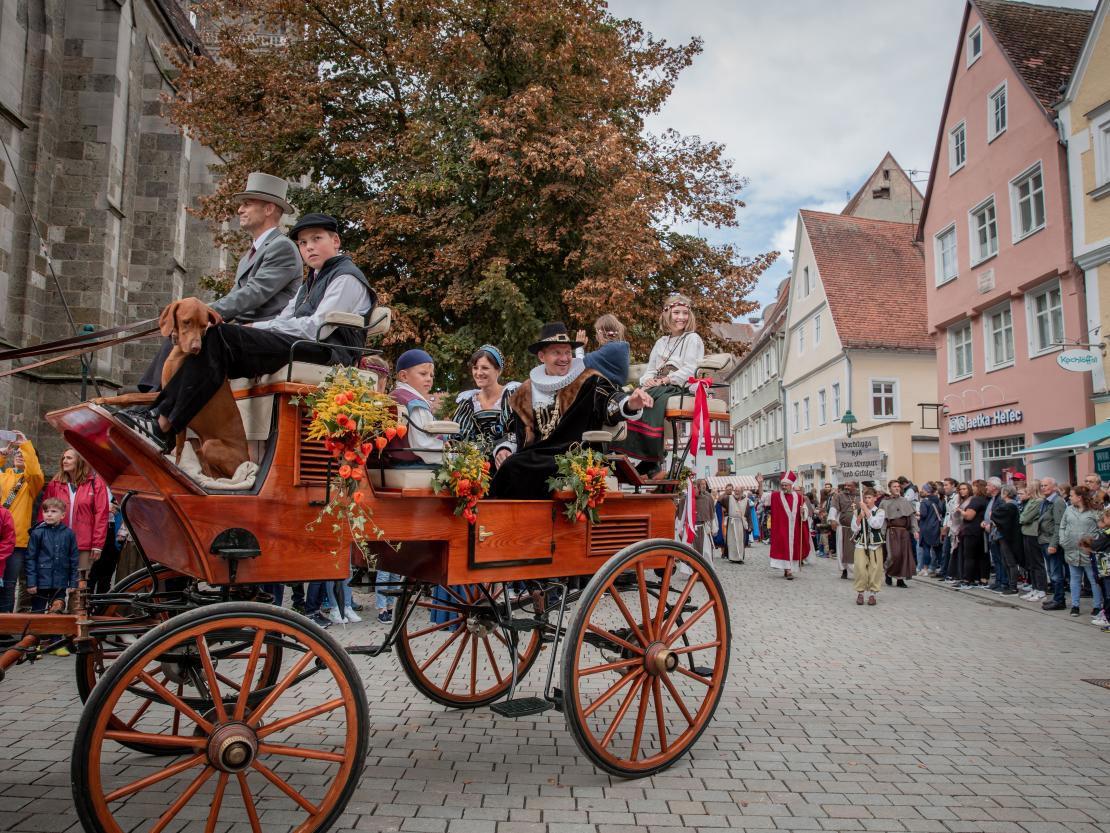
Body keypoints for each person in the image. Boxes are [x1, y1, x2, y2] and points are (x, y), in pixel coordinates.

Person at [120, 213, 375, 453]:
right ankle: (151, 409)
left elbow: (316, 328)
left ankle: (161, 424)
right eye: (303, 242)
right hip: (303, 345)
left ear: (335, 240)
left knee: (222, 336)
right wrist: (252, 329)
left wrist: (255, 328)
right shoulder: (312, 281)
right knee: (214, 335)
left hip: (326, 352)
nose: (309, 247)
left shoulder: (346, 277)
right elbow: (284, 318)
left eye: (316, 239)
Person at [139, 172, 304, 392]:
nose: (240, 210)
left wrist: (203, 313)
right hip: (245, 332)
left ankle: (155, 400)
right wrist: (196, 315)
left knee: (204, 335)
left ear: (269, 209)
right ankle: (153, 395)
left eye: (247, 204)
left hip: (266, 336)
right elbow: (236, 294)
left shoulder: (282, 247)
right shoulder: (250, 255)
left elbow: (254, 294)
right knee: (181, 332)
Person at [490, 322, 652, 500]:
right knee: (496, 464)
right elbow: (512, 430)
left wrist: (631, 403)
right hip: (533, 455)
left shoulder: (588, 380)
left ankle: (517, 521)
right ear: (541, 356)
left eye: (567, 352)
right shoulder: (524, 392)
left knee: (516, 466)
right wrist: (504, 449)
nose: (564, 358)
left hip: (575, 455)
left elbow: (610, 402)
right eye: (556, 353)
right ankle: (498, 521)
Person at [614, 294, 704, 476]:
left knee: (654, 399)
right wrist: (646, 380)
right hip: (658, 383)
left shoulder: (692, 338)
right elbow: (651, 369)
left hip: (678, 385)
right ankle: (619, 452)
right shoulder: (661, 342)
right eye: (676, 312)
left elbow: (691, 368)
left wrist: (665, 380)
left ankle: (652, 459)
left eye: (685, 313)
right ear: (667, 314)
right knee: (630, 399)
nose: (681, 317)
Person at [40, 448, 109, 576]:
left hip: (83, 544)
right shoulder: (55, 483)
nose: (64, 461)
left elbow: (101, 516)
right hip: (57, 542)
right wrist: (42, 538)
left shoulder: (95, 482)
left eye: (69, 458)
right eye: (63, 458)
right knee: (57, 585)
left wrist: (97, 544)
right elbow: (44, 512)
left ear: (80, 461)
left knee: (78, 587)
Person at [0, 432, 44, 613]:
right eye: (17, 452)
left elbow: (34, 471)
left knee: (9, 585)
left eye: (23, 453)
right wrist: (2, 455)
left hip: (16, 542)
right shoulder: (5, 475)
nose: (19, 454)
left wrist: (26, 444)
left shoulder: (31, 482)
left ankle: (6, 627)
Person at [452, 345, 520, 453]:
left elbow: (520, 433)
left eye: (485, 368)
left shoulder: (511, 396)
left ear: (498, 370)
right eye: (475, 368)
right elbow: (459, 438)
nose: (478, 373)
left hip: (507, 459)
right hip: (475, 464)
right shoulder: (468, 402)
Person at [388, 349, 446, 465]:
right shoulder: (414, 403)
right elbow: (422, 445)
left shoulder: (393, 396)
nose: (429, 378)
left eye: (431, 375)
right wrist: (449, 456)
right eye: (423, 374)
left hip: (390, 462)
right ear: (404, 376)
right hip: (411, 466)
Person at [25, 497, 79, 618]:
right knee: (37, 611)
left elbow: (74, 559)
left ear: (63, 515)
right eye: (46, 511)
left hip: (60, 580)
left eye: (53, 511)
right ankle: (35, 634)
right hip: (40, 581)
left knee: (57, 609)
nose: (49, 514)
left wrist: (73, 582)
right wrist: (31, 583)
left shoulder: (69, 534)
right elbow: (30, 559)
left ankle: (55, 636)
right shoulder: (37, 533)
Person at [1059, 485, 1102, 618]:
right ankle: (1075, 605)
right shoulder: (1069, 510)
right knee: (1075, 579)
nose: (1069, 497)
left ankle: (1096, 606)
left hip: (1088, 551)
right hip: (1071, 549)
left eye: (1071, 495)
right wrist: (1063, 541)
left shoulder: (1093, 512)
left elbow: (1101, 529)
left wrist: (1095, 545)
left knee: (1093, 580)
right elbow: (1062, 526)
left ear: (1079, 497)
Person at [759, 471, 808, 580]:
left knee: (792, 547)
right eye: (783, 485)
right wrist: (760, 484)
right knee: (784, 547)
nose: (784, 487)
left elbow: (805, 512)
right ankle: (788, 570)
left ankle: (789, 569)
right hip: (781, 528)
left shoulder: (799, 498)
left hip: (794, 528)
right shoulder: (776, 496)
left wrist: (803, 511)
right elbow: (762, 497)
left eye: (786, 485)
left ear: (791, 485)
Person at [575, 314, 631, 387]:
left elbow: (581, 365)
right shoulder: (620, 348)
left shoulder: (611, 349)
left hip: (606, 394)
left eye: (597, 333)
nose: (596, 336)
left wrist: (579, 347)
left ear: (600, 333)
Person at [1038, 477, 1068, 611]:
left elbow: (1059, 525)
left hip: (1051, 541)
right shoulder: (1045, 502)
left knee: (1056, 574)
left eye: (1046, 485)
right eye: (1042, 485)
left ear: (1054, 487)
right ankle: (1056, 597)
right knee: (1051, 572)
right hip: (1044, 540)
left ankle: (1060, 600)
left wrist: (1054, 544)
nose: (1043, 487)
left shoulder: (1057, 502)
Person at [852, 487, 885, 606]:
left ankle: (872, 594)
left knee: (875, 569)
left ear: (875, 499)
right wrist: (860, 516)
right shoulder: (857, 511)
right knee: (860, 568)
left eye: (869, 498)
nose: (867, 500)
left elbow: (876, 525)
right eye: (865, 498)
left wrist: (866, 511)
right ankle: (860, 593)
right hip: (861, 543)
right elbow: (854, 528)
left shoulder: (880, 512)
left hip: (874, 545)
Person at [882, 479, 918, 588]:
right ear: (890, 488)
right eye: (894, 486)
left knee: (904, 556)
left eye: (898, 486)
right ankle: (888, 571)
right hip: (891, 531)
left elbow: (912, 517)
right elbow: (882, 520)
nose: (897, 488)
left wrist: (915, 530)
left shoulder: (905, 501)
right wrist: (881, 534)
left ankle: (900, 580)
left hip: (904, 532)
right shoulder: (885, 502)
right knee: (893, 555)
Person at [990, 484, 1023, 595]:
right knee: (1006, 562)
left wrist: (993, 517)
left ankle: (1013, 587)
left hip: (1008, 537)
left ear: (1006, 493)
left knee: (1010, 562)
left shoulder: (1010, 506)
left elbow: (996, 517)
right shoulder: (1010, 505)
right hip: (1005, 537)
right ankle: (1010, 584)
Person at [1080, 508, 1110, 628]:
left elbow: (1097, 545)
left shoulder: (1107, 534)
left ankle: (1108, 617)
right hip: (1105, 567)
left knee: (1108, 594)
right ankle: (1105, 613)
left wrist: (1090, 544)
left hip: (1107, 567)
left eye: (1104, 519)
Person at [1019, 478, 1047, 601]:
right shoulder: (1031, 501)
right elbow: (1023, 516)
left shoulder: (1038, 501)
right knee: (1031, 562)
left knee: (1037, 563)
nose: (1027, 488)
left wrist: (1023, 518)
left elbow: (1025, 518)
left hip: (1033, 534)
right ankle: (1035, 587)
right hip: (1026, 532)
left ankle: (1041, 589)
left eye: (1029, 486)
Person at [829, 481, 859, 581]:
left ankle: (858, 570)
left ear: (855, 486)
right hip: (843, 527)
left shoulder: (861, 495)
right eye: (845, 485)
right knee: (842, 549)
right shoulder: (839, 496)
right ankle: (844, 570)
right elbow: (833, 508)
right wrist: (833, 519)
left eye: (849, 485)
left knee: (856, 550)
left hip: (858, 528)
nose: (846, 487)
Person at [917, 482, 944, 576]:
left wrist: (918, 515)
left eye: (923, 489)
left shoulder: (924, 501)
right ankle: (942, 567)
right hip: (936, 527)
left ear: (927, 491)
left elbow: (923, 515)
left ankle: (925, 569)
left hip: (926, 527)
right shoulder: (938, 500)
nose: (922, 491)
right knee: (937, 548)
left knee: (926, 548)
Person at [725, 486, 748, 565]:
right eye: (735, 491)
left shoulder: (745, 500)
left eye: (738, 491)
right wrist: (727, 491)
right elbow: (720, 502)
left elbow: (747, 513)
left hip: (740, 522)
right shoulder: (729, 498)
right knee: (732, 540)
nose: (736, 492)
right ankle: (732, 557)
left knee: (740, 540)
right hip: (732, 522)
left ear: (742, 492)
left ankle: (739, 557)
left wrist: (749, 524)